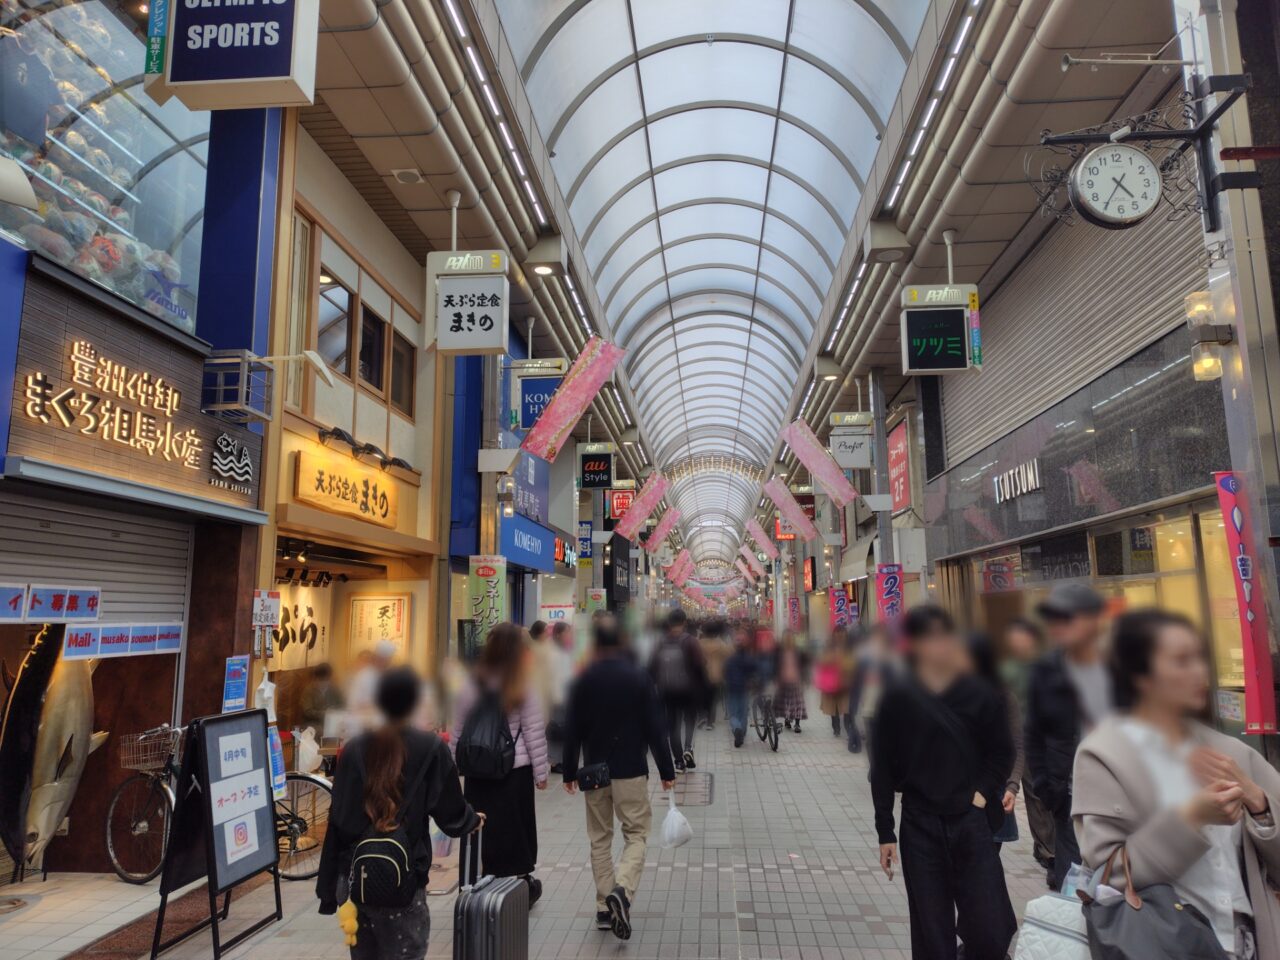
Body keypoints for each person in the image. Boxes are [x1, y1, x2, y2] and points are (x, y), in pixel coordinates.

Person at [1074, 610, 1280, 958]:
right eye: (1181, 661)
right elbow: (1108, 877)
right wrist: (1191, 818)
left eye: (1200, 657)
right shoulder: (1105, 755)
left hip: (1249, 944)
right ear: (1140, 675)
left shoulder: (1233, 753)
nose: (1199, 671)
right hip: (1164, 944)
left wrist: (1259, 805)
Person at [870, 605, 1016, 960]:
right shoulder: (896, 698)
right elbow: (882, 769)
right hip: (919, 824)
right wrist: (885, 832)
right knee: (931, 932)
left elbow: (1003, 751)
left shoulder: (979, 692)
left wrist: (981, 794)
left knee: (988, 929)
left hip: (971, 822)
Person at [317, 667, 482, 960]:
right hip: (403, 880)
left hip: (358, 880)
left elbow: (338, 819)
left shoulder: (354, 749)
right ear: (415, 702)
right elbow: (451, 813)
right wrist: (472, 820)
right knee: (406, 952)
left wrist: (329, 886)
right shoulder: (430, 747)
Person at [562, 620, 677, 941]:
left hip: (594, 772)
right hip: (630, 769)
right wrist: (668, 771)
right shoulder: (638, 677)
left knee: (599, 837)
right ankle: (622, 892)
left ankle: (603, 907)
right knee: (637, 834)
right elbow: (656, 727)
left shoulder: (583, 679)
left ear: (596, 644)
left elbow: (572, 730)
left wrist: (569, 771)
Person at [450, 623, 549, 905]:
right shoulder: (521, 683)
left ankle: (479, 880)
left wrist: (453, 766)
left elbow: (458, 728)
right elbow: (532, 732)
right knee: (516, 828)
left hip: (478, 770)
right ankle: (516, 885)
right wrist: (541, 774)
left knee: (481, 827)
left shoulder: (472, 682)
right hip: (514, 772)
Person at [1025, 581, 1112, 890]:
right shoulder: (1046, 669)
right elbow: (1034, 734)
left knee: (1116, 889)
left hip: (1119, 802)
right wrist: (1045, 787)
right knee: (1072, 886)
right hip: (1070, 797)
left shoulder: (1121, 666)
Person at [1001, 618, 1056, 872]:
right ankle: (1047, 848)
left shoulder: (1047, 667)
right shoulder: (1007, 670)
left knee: (1048, 793)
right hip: (1021, 740)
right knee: (1033, 793)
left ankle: (1050, 844)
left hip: (1046, 737)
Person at [968, 631, 1023, 853]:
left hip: (995, 791)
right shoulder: (950, 696)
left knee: (988, 859)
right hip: (959, 795)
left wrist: (1012, 786)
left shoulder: (1005, 697)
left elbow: (1017, 745)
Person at [648, 609, 707, 773]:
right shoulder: (691, 641)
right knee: (690, 720)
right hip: (688, 690)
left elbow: (652, 667)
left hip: (667, 691)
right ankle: (689, 747)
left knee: (673, 726)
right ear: (684, 622)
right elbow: (700, 665)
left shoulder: (660, 642)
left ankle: (679, 761)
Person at [723, 625, 760, 747]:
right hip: (744, 687)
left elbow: (725, 672)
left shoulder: (730, 659)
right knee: (743, 712)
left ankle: (736, 728)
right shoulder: (749, 658)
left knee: (733, 713)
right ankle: (742, 732)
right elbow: (754, 670)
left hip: (732, 687)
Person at [816, 629, 852, 738]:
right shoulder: (829, 646)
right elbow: (822, 661)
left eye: (842, 635)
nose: (840, 637)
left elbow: (853, 662)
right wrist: (832, 659)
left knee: (846, 706)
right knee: (834, 707)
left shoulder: (849, 647)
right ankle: (836, 728)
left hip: (845, 681)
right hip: (832, 681)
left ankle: (847, 727)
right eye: (838, 635)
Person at [698, 620, 731, 730]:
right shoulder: (720, 644)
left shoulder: (699, 643)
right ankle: (710, 722)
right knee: (713, 699)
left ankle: (702, 716)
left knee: (702, 696)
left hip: (701, 674)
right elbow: (729, 656)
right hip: (716, 675)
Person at [775, 630, 809, 733]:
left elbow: (804, 664)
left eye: (790, 638)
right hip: (783, 681)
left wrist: (805, 678)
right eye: (787, 638)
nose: (789, 640)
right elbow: (776, 666)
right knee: (786, 702)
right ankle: (787, 719)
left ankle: (797, 724)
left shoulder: (798, 651)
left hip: (796, 680)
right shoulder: (779, 652)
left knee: (797, 703)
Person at [300, 662, 344, 729]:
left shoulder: (334, 688)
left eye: (326, 680)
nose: (324, 682)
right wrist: (325, 713)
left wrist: (334, 710)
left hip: (332, 721)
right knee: (322, 731)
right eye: (321, 680)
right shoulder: (308, 691)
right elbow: (308, 712)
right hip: (313, 723)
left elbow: (342, 704)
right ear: (315, 679)